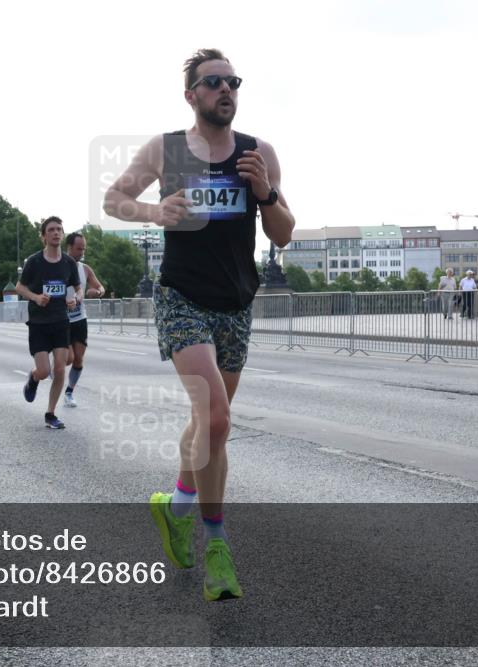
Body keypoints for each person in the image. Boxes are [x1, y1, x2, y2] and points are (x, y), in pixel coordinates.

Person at [104, 49, 295, 601]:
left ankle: (176, 504)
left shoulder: (258, 153)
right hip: (181, 297)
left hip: (236, 303)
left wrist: (265, 192)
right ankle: (217, 546)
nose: (225, 90)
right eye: (213, 82)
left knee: (205, 423)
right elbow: (115, 199)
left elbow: (282, 235)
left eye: (232, 81)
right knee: (216, 418)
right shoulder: (165, 150)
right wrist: (154, 212)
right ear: (191, 94)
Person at [16, 217, 81, 429]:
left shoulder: (68, 263)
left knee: (60, 369)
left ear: (62, 234)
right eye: (51, 230)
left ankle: (50, 414)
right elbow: (19, 287)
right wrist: (35, 297)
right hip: (38, 323)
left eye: (59, 229)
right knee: (44, 371)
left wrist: (76, 298)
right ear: (44, 236)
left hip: (61, 321)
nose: (56, 233)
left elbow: (78, 288)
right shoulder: (34, 262)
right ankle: (33, 379)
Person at [63, 232, 106, 408]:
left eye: (83, 249)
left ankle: (69, 392)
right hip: (61, 319)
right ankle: (54, 365)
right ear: (69, 247)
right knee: (69, 358)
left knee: (79, 359)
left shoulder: (85, 268)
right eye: (78, 248)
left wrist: (98, 292)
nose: (81, 252)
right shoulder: (59, 266)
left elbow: (100, 286)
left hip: (79, 318)